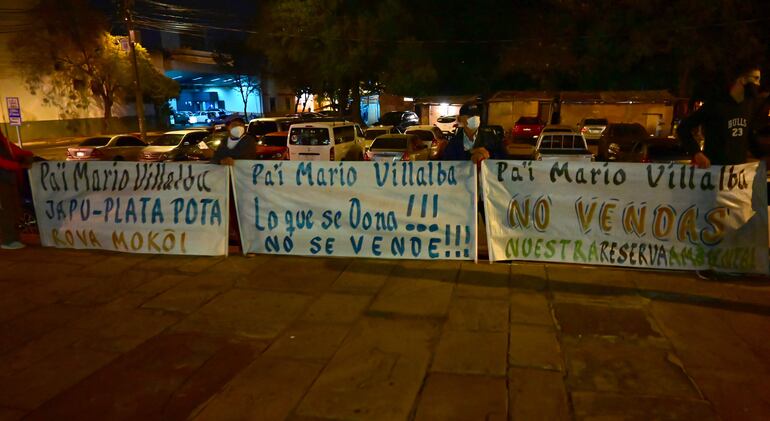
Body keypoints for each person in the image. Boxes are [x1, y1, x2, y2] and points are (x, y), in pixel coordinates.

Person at [678, 64, 763, 168]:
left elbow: (748, 135)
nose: (758, 84)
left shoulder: (749, 105)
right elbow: (683, 128)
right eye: (755, 78)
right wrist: (697, 153)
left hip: (738, 173)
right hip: (715, 171)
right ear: (742, 79)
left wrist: (763, 155)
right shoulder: (715, 104)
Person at [0, 129, 34, 250]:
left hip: (9, 178)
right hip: (3, 180)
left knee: (14, 209)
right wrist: (17, 166)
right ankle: (8, 240)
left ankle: (13, 238)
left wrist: (26, 154)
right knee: (6, 210)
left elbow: (11, 148)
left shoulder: (2, 140)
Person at [442, 102, 506, 163]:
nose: (475, 118)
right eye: (470, 116)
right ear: (460, 119)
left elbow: (504, 159)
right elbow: (448, 164)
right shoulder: (454, 143)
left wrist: (488, 155)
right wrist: (470, 156)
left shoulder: (492, 139)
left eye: (477, 115)